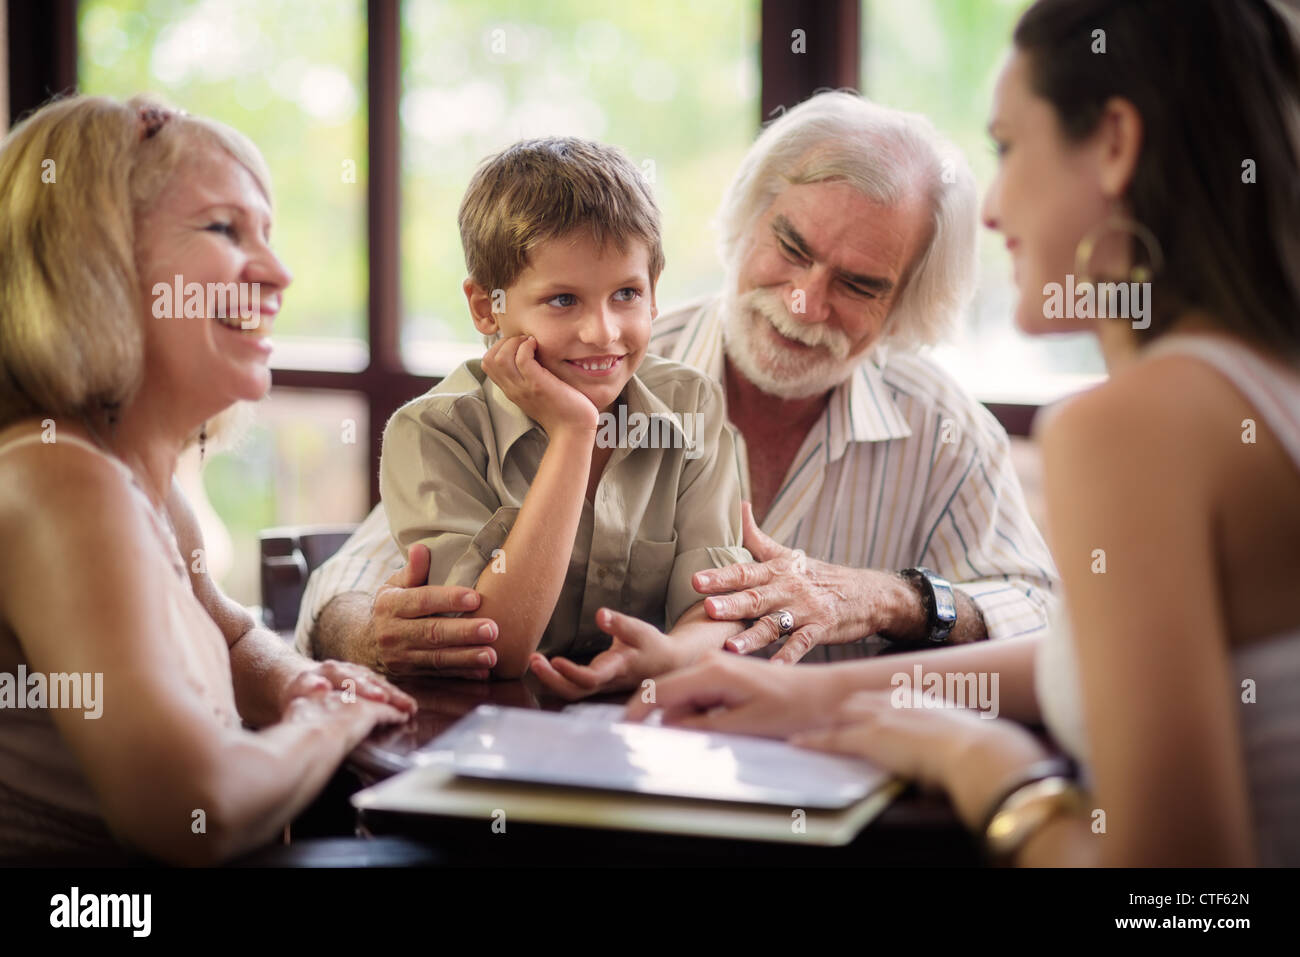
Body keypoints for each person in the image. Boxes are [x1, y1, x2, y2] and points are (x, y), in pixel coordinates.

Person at [630, 0, 1300, 866]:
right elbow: (1077, 659)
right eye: (792, 247)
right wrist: (806, 697)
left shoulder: (1132, 427)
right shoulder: (1260, 386)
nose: (992, 210)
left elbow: (1180, 906)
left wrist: (980, 761)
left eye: (1008, 147)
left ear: (1114, 145)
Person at [296, 92, 1058, 681]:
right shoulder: (586, 359)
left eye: (858, 283)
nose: (803, 302)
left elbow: (1046, 617)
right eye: (790, 247)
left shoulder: (941, 427)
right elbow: (354, 582)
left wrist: (889, 599)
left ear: (908, 302)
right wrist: (370, 630)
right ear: (747, 218)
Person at [0, 95, 414, 865]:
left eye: (269, 233)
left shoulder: (145, 487)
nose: (279, 273)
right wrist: (325, 727)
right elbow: (195, 807)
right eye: (224, 229)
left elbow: (228, 637)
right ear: (97, 265)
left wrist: (301, 684)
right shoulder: (58, 480)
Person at [379, 136, 750, 693]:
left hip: (650, 724)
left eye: (626, 293)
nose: (602, 332)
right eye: (562, 301)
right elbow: (494, 645)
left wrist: (668, 657)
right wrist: (573, 432)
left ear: (654, 296)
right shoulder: (433, 434)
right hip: (481, 734)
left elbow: (717, 609)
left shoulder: (690, 406)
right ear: (488, 308)